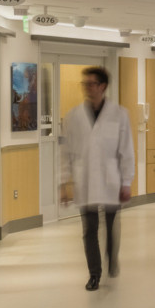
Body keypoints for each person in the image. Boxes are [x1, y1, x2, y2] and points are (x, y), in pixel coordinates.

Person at [60, 66, 135, 290]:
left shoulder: (119, 114)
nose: (88, 88)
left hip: (111, 177)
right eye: (85, 84)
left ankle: (112, 256)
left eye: (92, 84)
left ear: (103, 87)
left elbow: (127, 150)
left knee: (111, 226)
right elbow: (66, 152)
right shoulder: (73, 116)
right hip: (85, 179)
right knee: (89, 229)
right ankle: (94, 274)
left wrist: (126, 182)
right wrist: (63, 182)